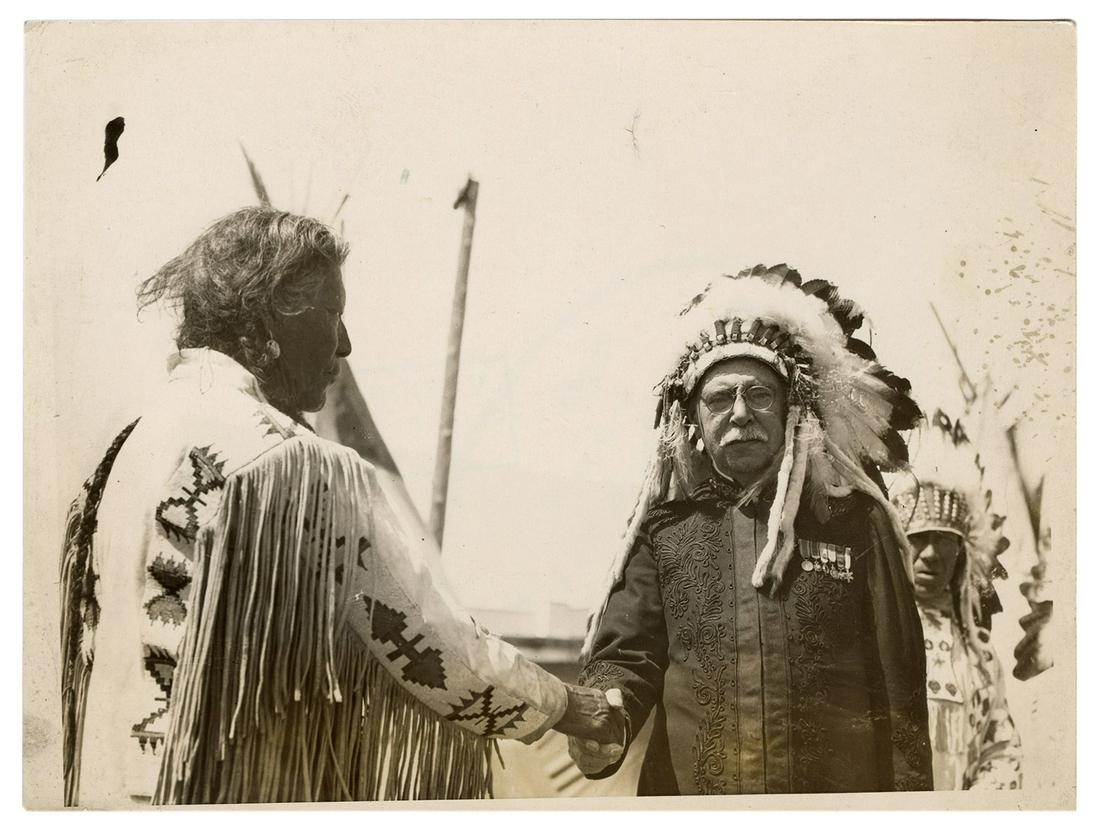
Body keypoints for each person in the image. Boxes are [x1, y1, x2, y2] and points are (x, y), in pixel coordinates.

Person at [59, 207, 622, 806]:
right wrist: (569, 706)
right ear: (270, 313)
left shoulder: (121, 453)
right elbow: (428, 636)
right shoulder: (299, 465)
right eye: (333, 313)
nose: (345, 343)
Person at [572, 264, 933, 795]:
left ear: (792, 409)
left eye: (759, 395)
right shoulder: (666, 533)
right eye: (719, 400)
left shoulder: (858, 522)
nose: (739, 413)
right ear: (693, 421)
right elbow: (626, 658)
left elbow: (901, 690)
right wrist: (605, 714)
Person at [892, 411, 1022, 790]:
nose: (931, 553)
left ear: (961, 554)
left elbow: (1001, 748)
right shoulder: (874, 634)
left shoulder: (978, 653)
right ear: (898, 546)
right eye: (920, 537)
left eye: (945, 540)